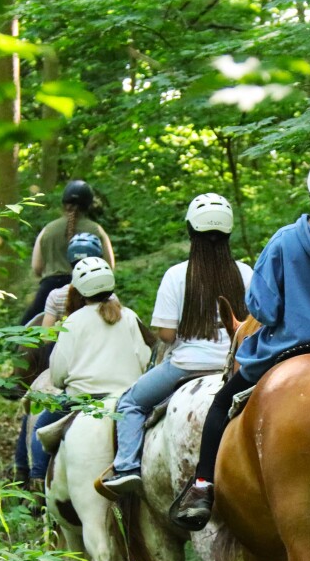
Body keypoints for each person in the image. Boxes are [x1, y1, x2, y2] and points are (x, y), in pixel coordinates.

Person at [172, 153, 310, 530]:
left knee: (222, 401)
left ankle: (203, 488)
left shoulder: (285, 241)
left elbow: (264, 309)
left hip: (284, 354)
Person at [101, 194, 254, 494]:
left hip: (186, 367)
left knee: (130, 403)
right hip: (236, 370)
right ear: (228, 233)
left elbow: (167, 335)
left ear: (191, 232)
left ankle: (127, 467)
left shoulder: (176, 275)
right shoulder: (245, 273)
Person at [20, 258, 151, 513]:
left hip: (82, 399)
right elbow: (145, 359)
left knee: (40, 428)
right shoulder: (130, 316)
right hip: (126, 398)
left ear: (79, 289)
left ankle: (37, 486)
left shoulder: (74, 321)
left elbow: (58, 373)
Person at [20, 180, 115, 324]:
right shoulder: (96, 230)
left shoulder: (48, 229)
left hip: (49, 289)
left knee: (23, 333)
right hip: (89, 287)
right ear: (88, 205)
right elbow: (109, 266)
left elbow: (37, 268)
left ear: (63, 203)